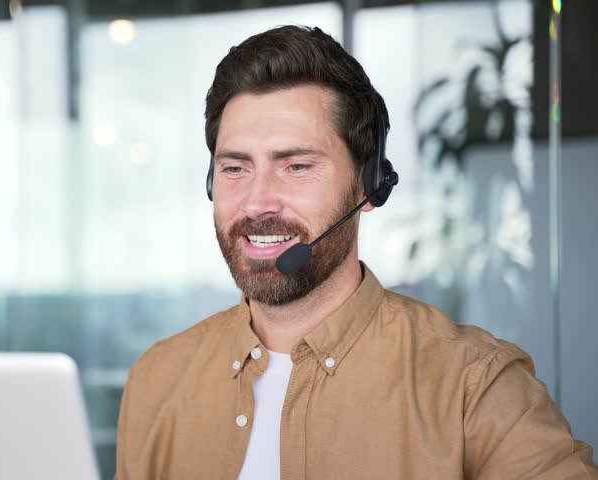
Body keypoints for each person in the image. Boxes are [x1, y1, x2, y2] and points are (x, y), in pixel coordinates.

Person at [115, 25, 597, 479]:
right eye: (235, 168)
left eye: (297, 166)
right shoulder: (158, 380)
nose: (257, 201)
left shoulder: (476, 387)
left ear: (368, 186)